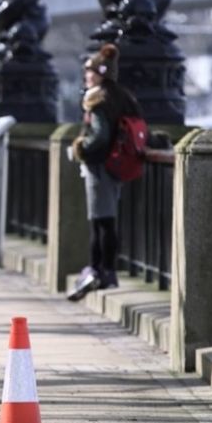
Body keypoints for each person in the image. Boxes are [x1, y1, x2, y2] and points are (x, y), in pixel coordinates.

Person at [67, 43, 143, 302]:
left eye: (91, 72)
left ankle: (101, 269)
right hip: (116, 165)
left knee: (100, 221)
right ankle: (105, 270)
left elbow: (99, 135)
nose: (87, 76)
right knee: (107, 219)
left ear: (102, 74)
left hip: (100, 166)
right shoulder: (121, 96)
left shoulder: (98, 100)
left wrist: (80, 147)